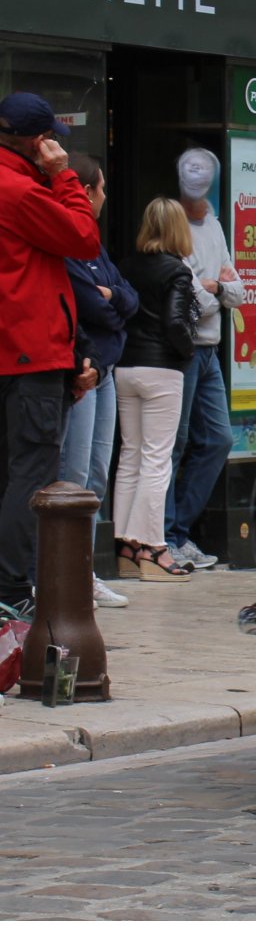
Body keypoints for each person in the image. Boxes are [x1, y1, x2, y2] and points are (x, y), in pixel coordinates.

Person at [0, 92, 101, 622]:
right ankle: (10, 589)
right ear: (41, 141)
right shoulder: (19, 191)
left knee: (9, 472)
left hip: (14, 351)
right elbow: (84, 239)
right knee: (30, 473)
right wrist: (64, 178)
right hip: (28, 355)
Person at [57, 154, 138, 608]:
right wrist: (113, 301)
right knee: (71, 474)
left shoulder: (96, 246)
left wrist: (114, 299)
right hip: (85, 367)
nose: (106, 197)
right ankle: (60, 574)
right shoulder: (66, 242)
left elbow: (127, 295)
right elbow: (93, 304)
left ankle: (82, 570)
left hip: (107, 367)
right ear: (85, 192)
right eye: (103, 188)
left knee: (95, 476)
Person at [112, 198, 198, 582]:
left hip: (125, 366)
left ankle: (125, 546)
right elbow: (176, 323)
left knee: (130, 454)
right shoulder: (177, 271)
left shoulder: (126, 266)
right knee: (156, 458)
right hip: (162, 369)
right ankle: (153, 547)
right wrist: (188, 351)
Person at [165, 148, 244, 570]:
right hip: (185, 348)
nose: (198, 191)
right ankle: (164, 537)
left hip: (209, 349)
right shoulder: (172, 224)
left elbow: (238, 291)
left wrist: (214, 287)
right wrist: (216, 290)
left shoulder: (212, 223)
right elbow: (191, 301)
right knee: (173, 443)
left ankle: (177, 532)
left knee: (217, 439)